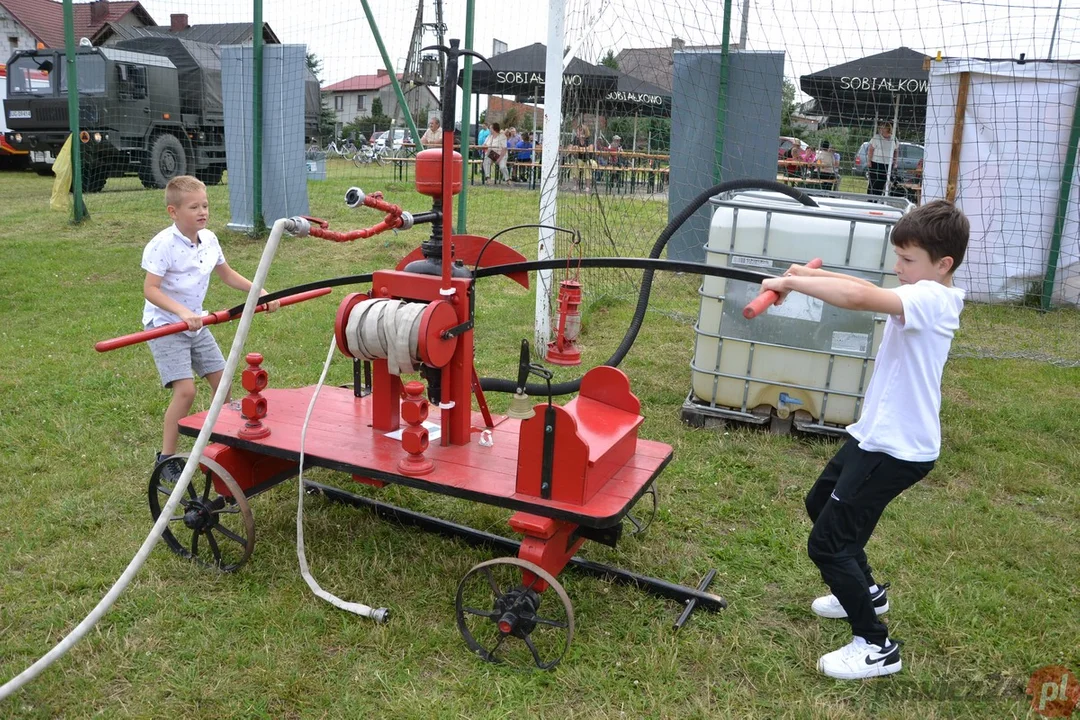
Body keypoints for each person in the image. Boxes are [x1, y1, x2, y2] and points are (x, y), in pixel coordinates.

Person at [757, 200, 970, 680]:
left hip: (895, 450)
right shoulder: (923, 289)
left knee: (828, 544)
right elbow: (860, 288)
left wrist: (791, 285)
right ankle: (867, 589)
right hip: (876, 438)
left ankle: (876, 646)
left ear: (944, 265)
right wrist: (801, 277)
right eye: (898, 257)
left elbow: (858, 300)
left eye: (908, 261)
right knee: (820, 504)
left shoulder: (932, 299)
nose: (899, 269)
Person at [142, 175, 279, 472]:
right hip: (166, 327)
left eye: (205, 205)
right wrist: (181, 313)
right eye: (194, 207)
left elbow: (226, 274)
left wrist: (260, 292)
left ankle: (218, 440)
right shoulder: (162, 244)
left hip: (197, 322)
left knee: (222, 383)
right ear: (173, 212)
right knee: (186, 391)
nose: (202, 211)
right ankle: (166, 458)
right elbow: (150, 289)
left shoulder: (210, 240)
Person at [867, 122, 898, 195]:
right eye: (881, 127)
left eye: (883, 127)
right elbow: (871, 149)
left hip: (887, 164)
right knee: (873, 182)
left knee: (882, 182)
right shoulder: (876, 137)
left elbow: (896, 151)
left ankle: (878, 198)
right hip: (875, 163)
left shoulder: (894, 139)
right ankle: (870, 198)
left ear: (888, 128)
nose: (881, 129)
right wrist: (869, 161)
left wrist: (895, 162)